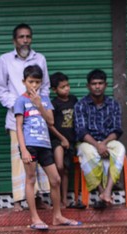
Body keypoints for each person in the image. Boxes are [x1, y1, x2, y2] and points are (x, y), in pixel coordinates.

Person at [14, 66, 82, 230]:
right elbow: (18, 126)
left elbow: (50, 121)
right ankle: (35, 218)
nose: (34, 85)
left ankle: (57, 216)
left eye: (37, 82)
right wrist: (23, 149)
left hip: (45, 144)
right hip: (29, 145)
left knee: (56, 179)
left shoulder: (44, 99)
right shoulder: (21, 100)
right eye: (31, 82)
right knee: (31, 179)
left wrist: (39, 105)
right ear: (24, 82)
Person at [0, 23, 51, 211]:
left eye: (28, 36)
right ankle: (19, 200)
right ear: (14, 40)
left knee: (39, 160)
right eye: (21, 37)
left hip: (37, 119)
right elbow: (1, 89)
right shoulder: (4, 60)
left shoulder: (40, 59)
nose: (25, 40)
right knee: (20, 159)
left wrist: (37, 105)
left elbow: (46, 87)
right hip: (16, 119)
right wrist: (19, 105)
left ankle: (37, 198)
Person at [74, 69, 126, 209]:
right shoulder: (80, 105)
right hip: (88, 142)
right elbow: (81, 131)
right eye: (94, 84)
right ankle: (101, 192)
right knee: (87, 152)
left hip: (107, 141)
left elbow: (117, 130)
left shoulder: (113, 104)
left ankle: (108, 190)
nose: (97, 86)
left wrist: (103, 144)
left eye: (100, 83)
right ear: (88, 86)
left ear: (106, 85)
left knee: (120, 148)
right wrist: (97, 146)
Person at [49, 72, 78, 207]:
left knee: (66, 169)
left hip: (71, 140)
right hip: (57, 140)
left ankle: (64, 200)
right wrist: (62, 138)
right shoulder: (53, 103)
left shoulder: (73, 100)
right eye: (62, 87)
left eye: (67, 85)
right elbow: (50, 124)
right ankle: (56, 196)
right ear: (54, 90)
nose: (67, 89)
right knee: (59, 166)